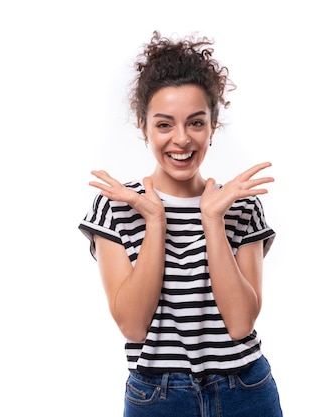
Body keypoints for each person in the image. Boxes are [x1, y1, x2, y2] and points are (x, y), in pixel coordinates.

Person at [78, 31, 283, 417]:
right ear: (142, 126)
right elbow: (133, 327)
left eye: (195, 122)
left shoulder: (240, 206)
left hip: (245, 390)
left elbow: (240, 324)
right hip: (157, 397)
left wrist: (212, 219)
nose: (181, 139)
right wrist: (155, 220)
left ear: (213, 126)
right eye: (164, 124)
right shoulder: (117, 207)